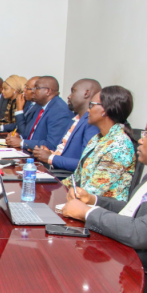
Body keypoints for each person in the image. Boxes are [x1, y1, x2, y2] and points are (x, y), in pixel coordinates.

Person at [62, 123, 147, 276]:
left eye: (146, 134)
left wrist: (87, 212)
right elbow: (131, 210)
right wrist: (93, 200)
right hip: (125, 255)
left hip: (137, 267)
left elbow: (139, 232)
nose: (140, 140)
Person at [61, 86, 136, 201]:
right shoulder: (98, 138)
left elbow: (93, 191)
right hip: (80, 202)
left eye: (91, 105)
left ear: (105, 110)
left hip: (101, 212)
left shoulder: (118, 145)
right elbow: (76, 179)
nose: (88, 110)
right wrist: (56, 186)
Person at [32, 79, 101, 172]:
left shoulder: (91, 123)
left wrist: (51, 157)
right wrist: (50, 153)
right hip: (54, 170)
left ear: (86, 93)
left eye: (73, 91)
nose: (69, 96)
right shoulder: (75, 119)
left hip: (65, 178)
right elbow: (64, 152)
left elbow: (86, 163)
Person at [5, 76, 74, 151]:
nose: (33, 91)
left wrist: (22, 142)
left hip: (42, 159)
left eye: (36, 88)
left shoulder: (59, 111)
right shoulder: (40, 106)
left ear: (48, 91)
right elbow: (28, 133)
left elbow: (52, 145)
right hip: (29, 153)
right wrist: (19, 136)